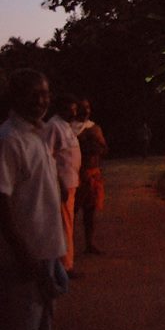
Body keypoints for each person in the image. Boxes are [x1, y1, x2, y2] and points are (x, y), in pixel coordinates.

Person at [0, 69, 68, 330]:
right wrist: (23, 253)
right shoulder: (9, 140)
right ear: (15, 96)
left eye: (46, 93)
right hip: (23, 260)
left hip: (47, 254)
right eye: (35, 93)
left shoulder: (37, 134)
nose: (42, 100)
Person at [43, 94, 81, 275]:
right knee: (64, 225)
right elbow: (48, 157)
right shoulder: (53, 126)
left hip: (71, 182)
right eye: (70, 109)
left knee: (68, 223)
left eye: (74, 109)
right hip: (62, 184)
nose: (73, 112)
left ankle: (66, 262)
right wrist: (59, 183)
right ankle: (65, 265)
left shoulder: (66, 126)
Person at [71, 99, 107, 254]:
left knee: (90, 211)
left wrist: (95, 145)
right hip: (75, 175)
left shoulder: (94, 127)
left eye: (87, 108)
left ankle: (89, 243)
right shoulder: (68, 129)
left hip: (92, 174)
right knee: (71, 212)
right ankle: (67, 246)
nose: (85, 111)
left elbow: (104, 149)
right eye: (81, 108)